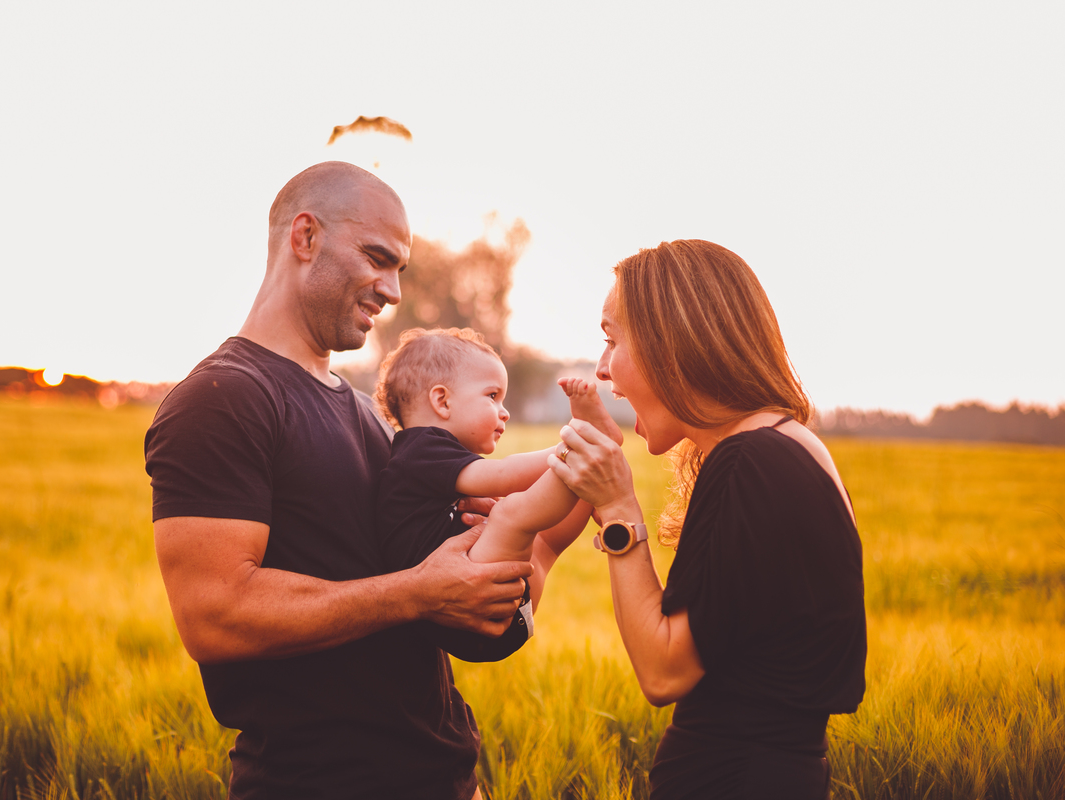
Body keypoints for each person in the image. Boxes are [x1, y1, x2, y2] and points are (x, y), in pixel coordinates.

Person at [144, 161, 535, 800]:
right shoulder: (222, 398)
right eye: (378, 258)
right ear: (305, 237)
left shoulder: (367, 412)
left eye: (400, 268)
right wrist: (417, 591)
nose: (393, 291)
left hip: (444, 776)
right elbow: (214, 615)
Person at [548, 240, 867, 799]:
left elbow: (663, 671)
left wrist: (619, 511)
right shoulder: (789, 443)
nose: (601, 369)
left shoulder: (750, 462)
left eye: (612, 340)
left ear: (670, 343)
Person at [373, 327, 622, 628]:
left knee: (545, 538)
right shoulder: (421, 450)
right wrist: (567, 447)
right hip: (467, 605)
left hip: (497, 596)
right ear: (442, 401)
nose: (504, 413)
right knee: (509, 511)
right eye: (492, 396)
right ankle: (588, 443)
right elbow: (505, 475)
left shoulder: (424, 454)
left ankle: (592, 454)